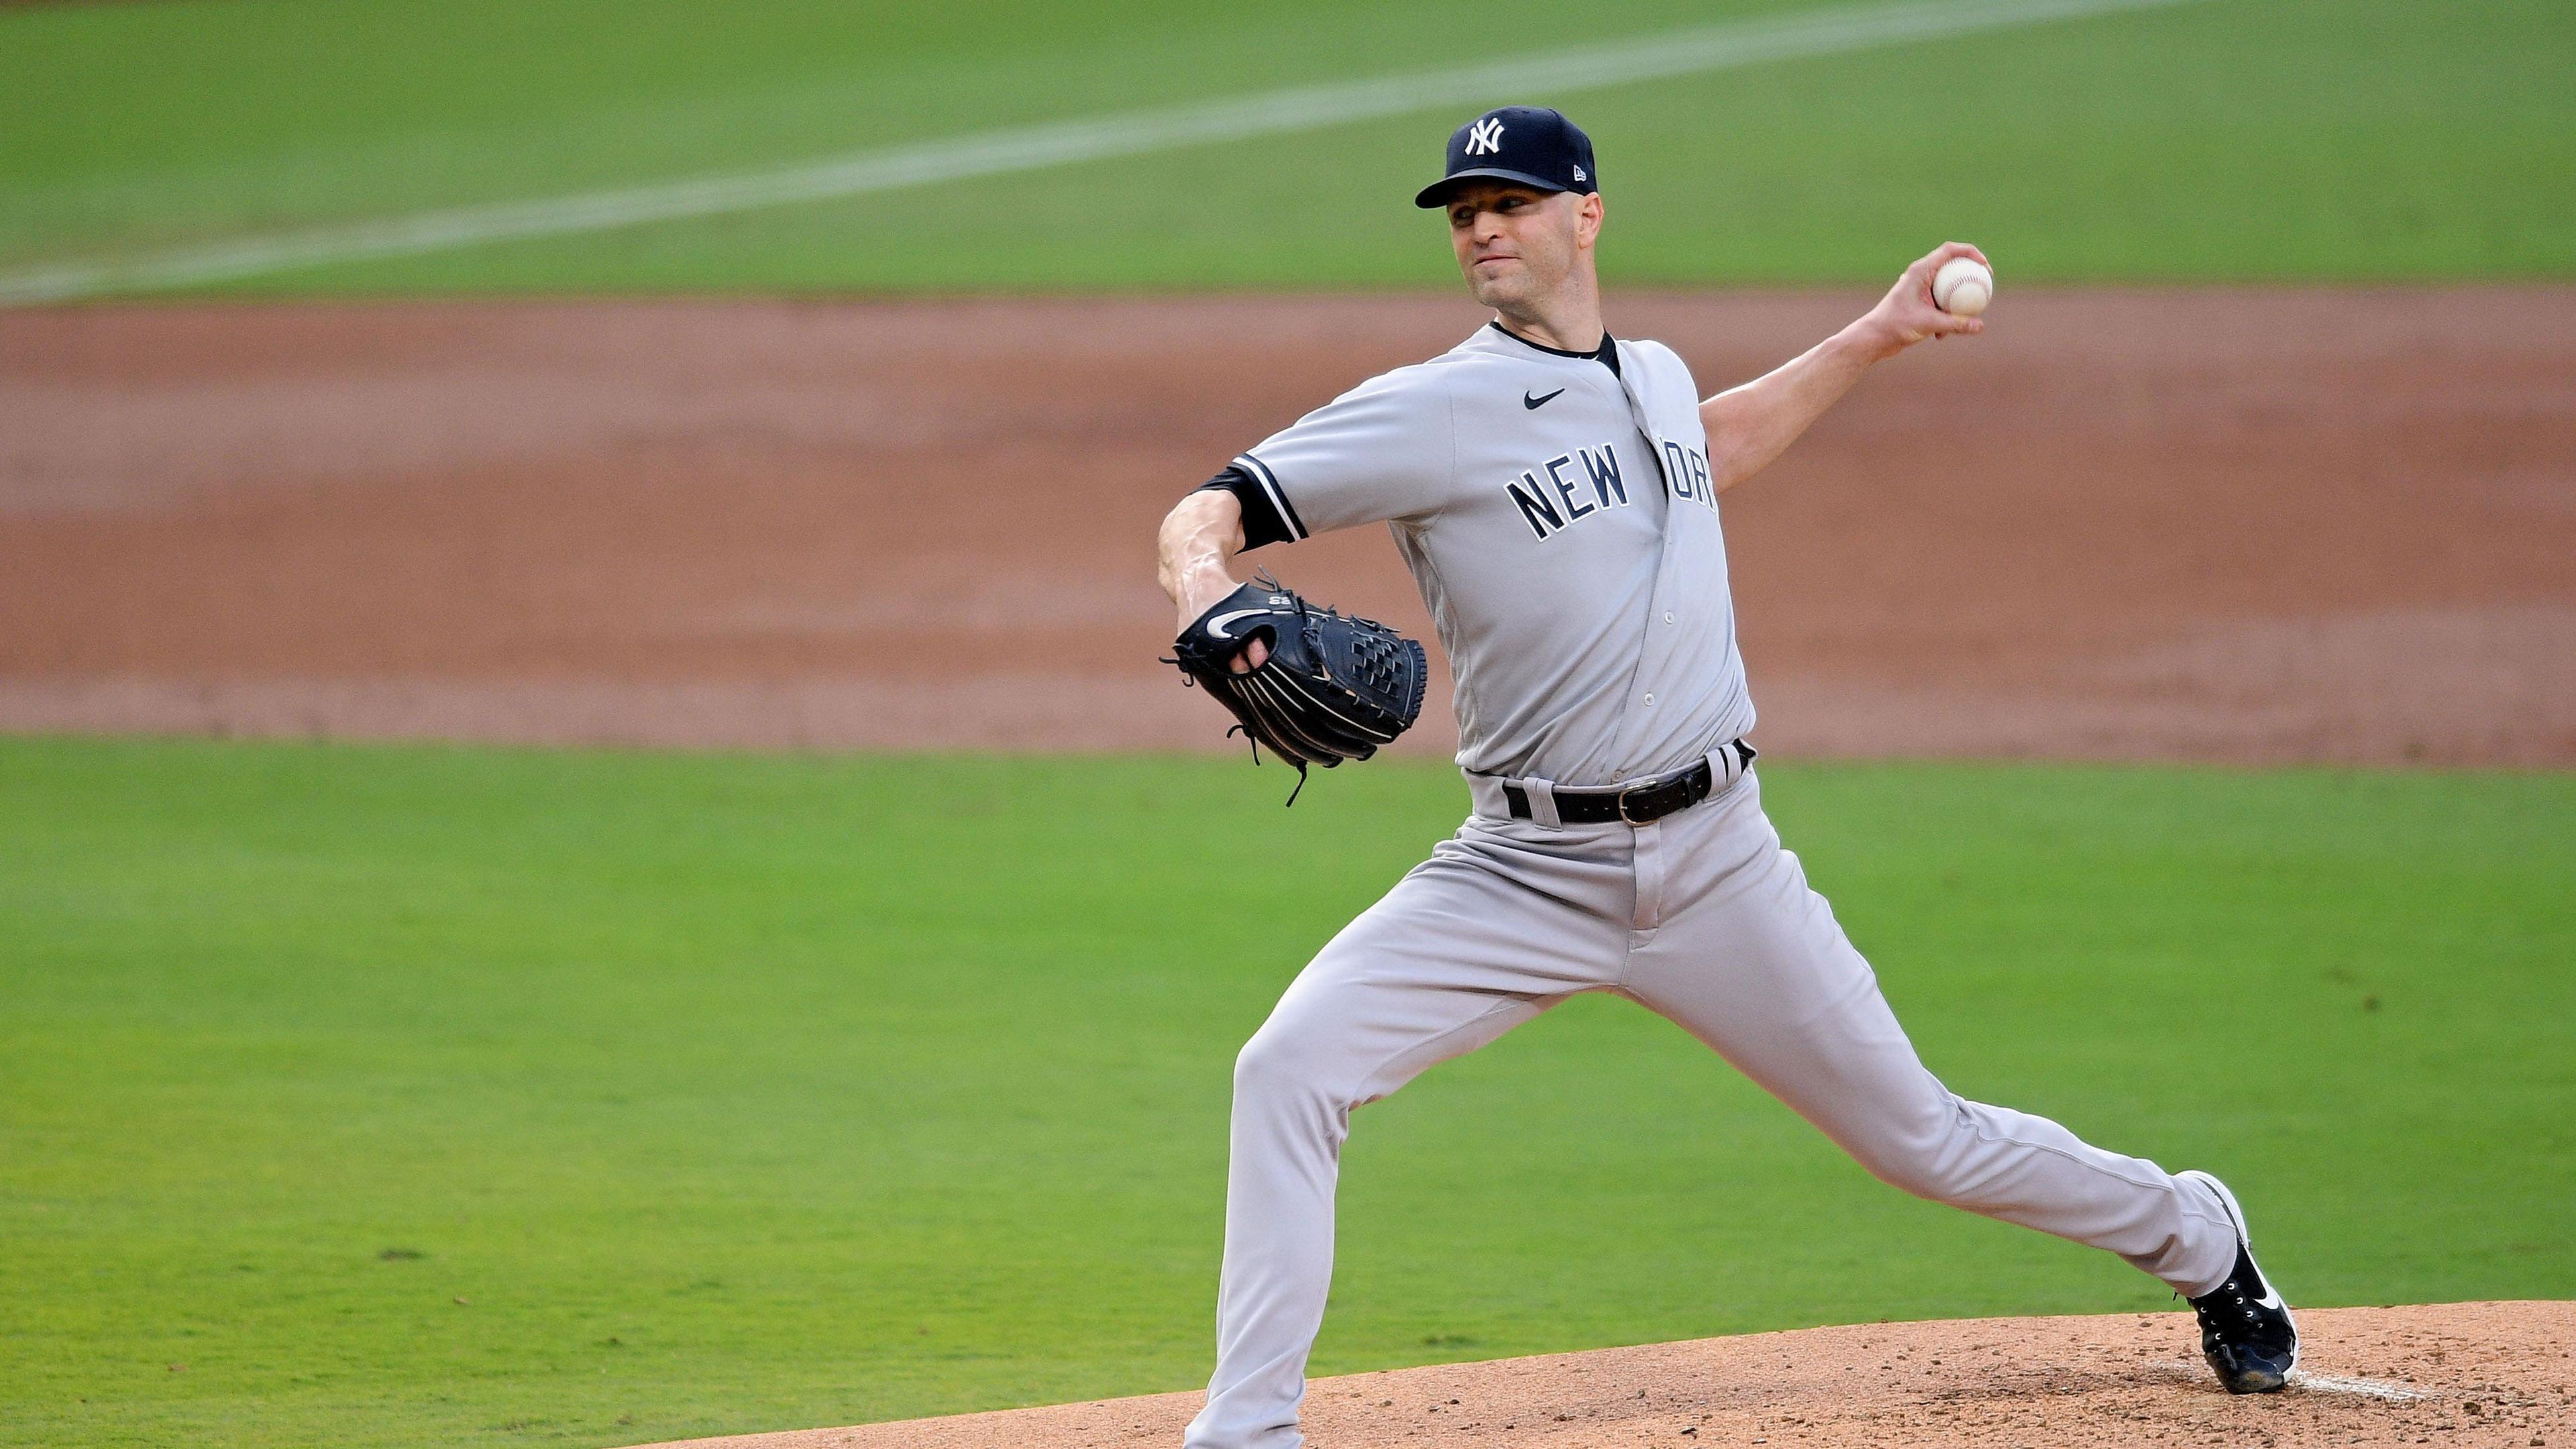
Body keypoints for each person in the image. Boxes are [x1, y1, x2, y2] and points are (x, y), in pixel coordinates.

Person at [1154, 106, 2296, 1449]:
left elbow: (1711, 449)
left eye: (1511, 202)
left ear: (1586, 216)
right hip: (1521, 870)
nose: (1482, 228)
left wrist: (1874, 337)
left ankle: (2198, 1234)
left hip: (1718, 866)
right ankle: (1247, 1431)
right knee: (1288, 1068)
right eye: (1465, 211)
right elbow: (1208, 508)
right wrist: (1205, 594)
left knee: (1923, 1141)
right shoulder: (1431, 408)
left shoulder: (1650, 377)